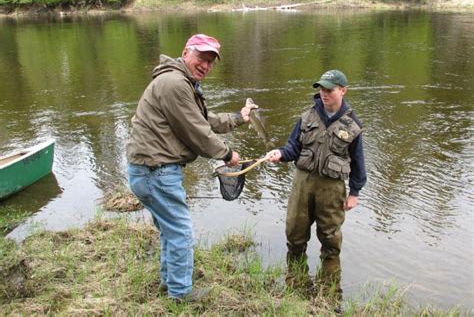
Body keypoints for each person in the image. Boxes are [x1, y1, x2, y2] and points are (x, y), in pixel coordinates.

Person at [126, 34, 256, 302]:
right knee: (181, 232)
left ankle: (170, 282)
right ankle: (181, 294)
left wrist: (238, 118)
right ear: (186, 51)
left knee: (168, 230)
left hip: (148, 170)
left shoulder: (179, 81)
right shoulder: (175, 83)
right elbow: (197, 132)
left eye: (210, 61)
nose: (205, 66)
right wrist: (227, 153)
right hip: (156, 172)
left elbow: (203, 119)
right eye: (201, 57)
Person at [266, 69, 366, 296]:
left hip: (332, 189)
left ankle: (329, 295)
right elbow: (293, 148)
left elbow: (358, 163)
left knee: (330, 240)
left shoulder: (353, 125)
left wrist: (354, 192)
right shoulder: (306, 117)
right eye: (321, 89)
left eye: (329, 90)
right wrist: (280, 154)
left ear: (343, 90)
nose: (324, 93)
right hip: (303, 184)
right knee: (295, 234)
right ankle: (295, 290)